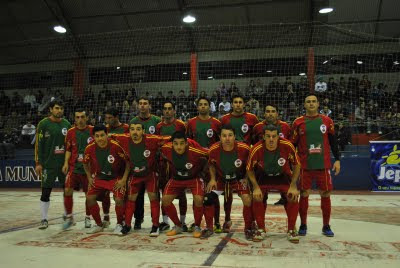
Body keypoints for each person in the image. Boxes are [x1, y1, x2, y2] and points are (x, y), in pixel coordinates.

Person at [291, 94, 341, 237]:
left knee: (325, 194)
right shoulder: (297, 122)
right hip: (304, 166)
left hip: (322, 165)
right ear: (304, 105)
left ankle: (326, 226)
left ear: (318, 104)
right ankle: (303, 225)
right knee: (304, 194)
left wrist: (337, 159)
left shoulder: (327, 121)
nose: (311, 104)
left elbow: (333, 142)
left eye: (314, 101)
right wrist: (292, 164)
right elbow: (292, 145)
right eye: (308, 102)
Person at [112, 122, 169, 236]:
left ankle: (155, 226)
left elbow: (169, 139)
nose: (135, 132)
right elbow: (110, 136)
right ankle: (127, 225)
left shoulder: (152, 139)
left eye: (138, 129)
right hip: (135, 175)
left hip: (150, 174)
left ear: (143, 132)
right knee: (131, 198)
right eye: (132, 129)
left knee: (153, 197)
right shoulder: (124, 139)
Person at [247, 124, 301, 243]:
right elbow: (249, 169)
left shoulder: (287, 145)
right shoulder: (256, 148)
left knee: (293, 197)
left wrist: (293, 185)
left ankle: (292, 230)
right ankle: (261, 229)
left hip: (283, 176)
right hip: (263, 177)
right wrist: (255, 187)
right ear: (263, 137)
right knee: (257, 197)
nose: (271, 139)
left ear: (278, 137)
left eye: (274, 136)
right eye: (268, 136)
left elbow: (297, 165)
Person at [205, 125, 253, 240]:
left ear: (235, 137)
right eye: (224, 136)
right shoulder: (213, 149)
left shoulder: (244, 148)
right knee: (208, 198)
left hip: (238, 178)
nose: (227, 138)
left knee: (247, 199)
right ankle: (209, 228)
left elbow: (250, 165)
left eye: (230, 135)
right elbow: (211, 164)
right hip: (221, 179)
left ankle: (249, 228)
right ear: (219, 137)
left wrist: (246, 178)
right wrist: (212, 179)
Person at [83, 125, 130, 234]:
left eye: (102, 135)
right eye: (97, 136)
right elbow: (85, 164)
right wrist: (89, 177)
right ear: (93, 137)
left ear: (107, 134)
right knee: (89, 198)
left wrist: (123, 180)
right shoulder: (89, 148)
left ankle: (119, 224)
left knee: (118, 200)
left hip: (116, 178)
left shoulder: (116, 146)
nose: (100, 138)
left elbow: (128, 163)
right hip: (99, 178)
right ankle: (99, 224)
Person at [160, 131, 208, 238]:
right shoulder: (165, 148)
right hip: (176, 178)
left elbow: (210, 155)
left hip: (193, 177)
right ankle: (178, 226)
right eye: (176, 143)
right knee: (165, 200)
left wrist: (204, 173)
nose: (179, 147)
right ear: (172, 144)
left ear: (186, 143)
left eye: (182, 143)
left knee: (199, 199)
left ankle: (197, 226)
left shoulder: (194, 150)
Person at [187, 97, 223, 232]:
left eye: (205, 104)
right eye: (200, 105)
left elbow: (221, 143)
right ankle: (197, 222)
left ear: (209, 107)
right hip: (196, 163)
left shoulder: (216, 123)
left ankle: (217, 222)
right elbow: (187, 143)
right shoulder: (191, 123)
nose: (203, 107)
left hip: (212, 163)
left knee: (213, 192)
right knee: (197, 194)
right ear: (197, 107)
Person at [35, 99, 71, 229]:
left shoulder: (67, 124)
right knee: (46, 192)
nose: (59, 110)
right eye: (56, 108)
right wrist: (38, 163)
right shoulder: (43, 124)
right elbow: (39, 145)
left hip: (64, 165)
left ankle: (67, 215)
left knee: (67, 190)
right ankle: (44, 219)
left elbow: (70, 145)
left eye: (61, 108)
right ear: (50, 109)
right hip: (48, 164)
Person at [129, 96, 162, 230]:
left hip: (154, 164)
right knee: (138, 194)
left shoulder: (156, 121)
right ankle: (138, 219)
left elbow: (160, 140)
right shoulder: (133, 121)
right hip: (138, 163)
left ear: (149, 105)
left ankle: (157, 221)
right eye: (140, 103)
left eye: (145, 103)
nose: (142, 106)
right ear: (138, 106)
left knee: (154, 194)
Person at [156, 101, 188, 231]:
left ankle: (182, 222)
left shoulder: (181, 125)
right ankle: (165, 221)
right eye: (165, 109)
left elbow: (187, 142)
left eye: (170, 109)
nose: (167, 111)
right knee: (164, 192)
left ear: (174, 111)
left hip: (177, 163)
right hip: (163, 164)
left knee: (182, 192)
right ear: (163, 111)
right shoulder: (158, 126)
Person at [252, 104, 291, 206]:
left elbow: (291, 146)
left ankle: (284, 197)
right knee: (260, 196)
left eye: (273, 111)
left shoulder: (286, 127)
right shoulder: (258, 127)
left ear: (277, 113)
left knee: (288, 193)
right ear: (264, 113)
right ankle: (262, 199)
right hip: (263, 164)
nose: (270, 114)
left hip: (281, 163)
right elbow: (254, 143)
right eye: (268, 111)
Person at [62, 109, 93, 230]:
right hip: (74, 168)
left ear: (86, 118)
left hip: (88, 169)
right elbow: (68, 149)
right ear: (75, 119)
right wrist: (65, 163)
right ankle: (69, 217)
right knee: (67, 190)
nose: (80, 119)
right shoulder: (70, 132)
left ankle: (87, 217)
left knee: (89, 195)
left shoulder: (92, 130)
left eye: (82, 117)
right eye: (78, 117)